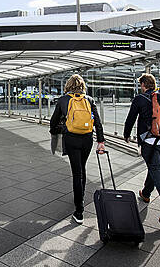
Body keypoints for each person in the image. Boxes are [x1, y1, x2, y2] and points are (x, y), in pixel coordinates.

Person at [123, 73, 160, 225]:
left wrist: (126, 134)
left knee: (156, 170)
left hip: (148, 141)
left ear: (143, 85)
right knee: (154, 166)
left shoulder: (140, 98)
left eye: (140, 85)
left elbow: (131, 118)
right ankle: (146, 193)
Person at [49, 74, 105, 224]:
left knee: (76, 172)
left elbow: (53, 121)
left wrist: (54, 132)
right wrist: (101, 141)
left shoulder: (63, 100)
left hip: (71, 138)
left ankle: (79, 211)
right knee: (82, 168)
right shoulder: (89, 100)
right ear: (82, 86)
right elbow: (97, 122)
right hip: (87, 139)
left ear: (68, 85)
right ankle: (80, 196)